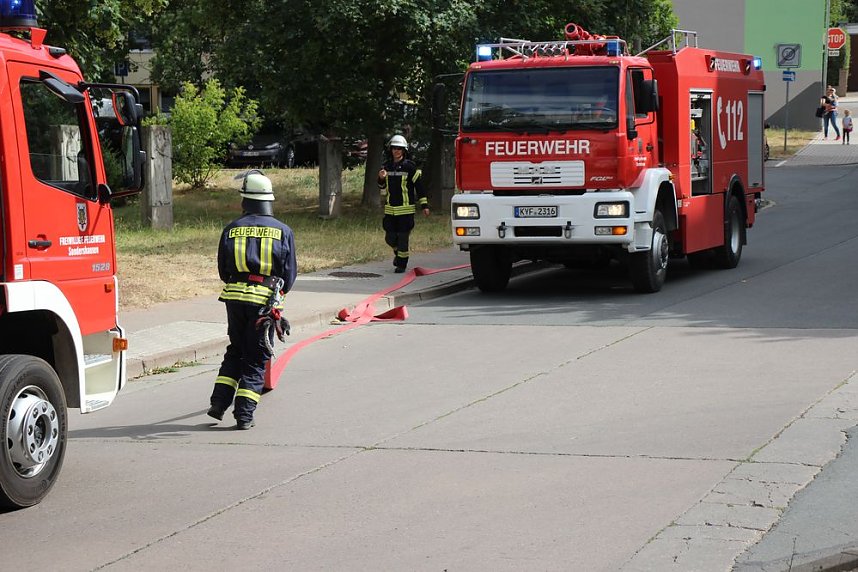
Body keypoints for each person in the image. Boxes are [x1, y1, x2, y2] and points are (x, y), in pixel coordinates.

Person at [208, 170, 297, 430]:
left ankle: (218, 403)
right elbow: (288, 275)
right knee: (257, 358)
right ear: (269, 200)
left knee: (236, 349)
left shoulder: (231, 228)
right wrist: (277, 296)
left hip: (234, 299)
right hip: (264, 302)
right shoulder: (283, 231)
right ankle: (244, 415)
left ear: (245, 199)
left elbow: (224, 271)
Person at [377, 134, 429, 273]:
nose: (396, 151)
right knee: (390, 238)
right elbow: (381, 187)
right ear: (391, 150)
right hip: (390, 210)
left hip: (406, 210)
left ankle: (401, 264)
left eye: (399, 148)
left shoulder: (410, 167)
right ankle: (398, 252)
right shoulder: (386, 166)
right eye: (394, 148)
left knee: (403, 239)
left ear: (404, 150)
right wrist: (381, 179)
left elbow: (419, 187)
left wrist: (424, 205)